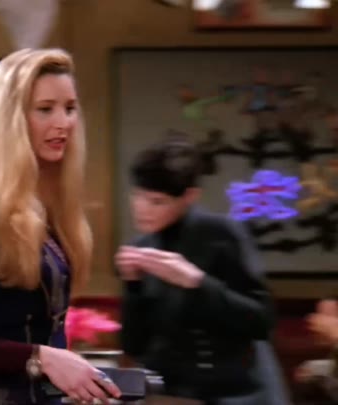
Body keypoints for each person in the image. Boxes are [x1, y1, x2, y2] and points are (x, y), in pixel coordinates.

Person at [0, 48, 121, 405]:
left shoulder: (54, 212)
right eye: (45, 109)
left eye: (70, 108)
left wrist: (69, 371)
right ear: (11, 120)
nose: (63, 122)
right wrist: (40, 358)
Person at [115, 136, 277, 404]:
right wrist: (133, 285)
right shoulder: (141, 247)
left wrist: (196, 282)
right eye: (137, 196)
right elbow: (134, 345)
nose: (142, 209)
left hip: (239, 394)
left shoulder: (222, 234)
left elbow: (262, 322)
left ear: (190, 196)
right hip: (174, 395)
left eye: (157, 201)